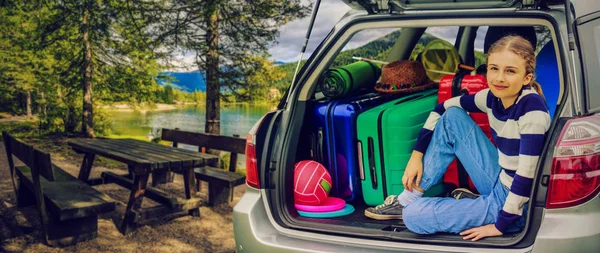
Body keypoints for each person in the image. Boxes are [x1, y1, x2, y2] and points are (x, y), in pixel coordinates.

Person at [364, 35, 551, 242]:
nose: (499, 78)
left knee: (413, 216)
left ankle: (480, 208)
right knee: (452, 117)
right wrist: (416, 156)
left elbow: (526, 176)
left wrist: (501, 225)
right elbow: (441, 109)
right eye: (494, 68)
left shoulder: (531, 110)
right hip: (500, 180)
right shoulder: (491, 98)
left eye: (510, 71)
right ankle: (407, 199)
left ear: (526, 77)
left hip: (519, 204)